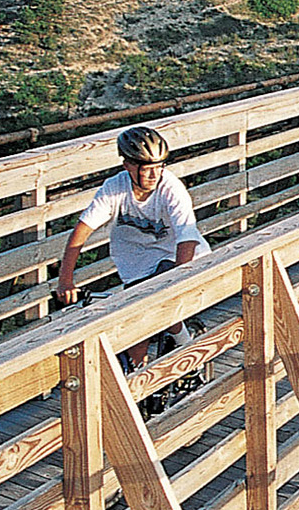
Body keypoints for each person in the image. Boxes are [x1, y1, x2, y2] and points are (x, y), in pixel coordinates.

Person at [56, 124, 210, 367]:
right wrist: (65, 280)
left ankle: (189, 354)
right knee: (133, 334)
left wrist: (179, 280)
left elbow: (187, 236)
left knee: (158, 313)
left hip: (177, 256)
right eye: (147, 169)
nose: (154, 175)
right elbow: (82, 231)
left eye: (159, 168)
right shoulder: (114, 188)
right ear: (127, 164)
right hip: (138, 265)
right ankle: (137, 384)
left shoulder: (171, 188)